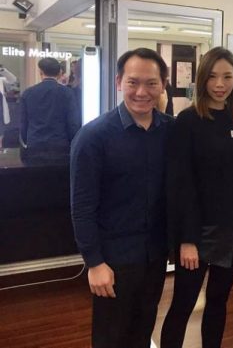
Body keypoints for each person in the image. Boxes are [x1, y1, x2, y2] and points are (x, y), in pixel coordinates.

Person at [70, 48, 173, 348]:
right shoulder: (93, 137)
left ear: (163, 85)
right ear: (118, 82)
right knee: (110, 338)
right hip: (113, 261)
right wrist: (94, 262)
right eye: (133, 82)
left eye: (151, 83)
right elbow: (82, 207)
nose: (142, 92)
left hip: (155, 257)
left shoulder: (171, 132)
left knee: (142, 332)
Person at [161, 47, 233, 348]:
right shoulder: (187, 121)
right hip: (196, 232)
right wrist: (186, 240)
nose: (220, 84)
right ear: (201, 79)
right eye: (212, 76)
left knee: (218, 303)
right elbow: (180, 184)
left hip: (229, 231)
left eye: (227, 76)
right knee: (183, 305)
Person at [20, 57, 80, 165]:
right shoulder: (67, 93)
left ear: (41, 72)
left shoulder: (28, 93)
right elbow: (73, 123)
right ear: (59, 73)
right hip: (60, 147)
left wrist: (27, 141)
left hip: (35, 146)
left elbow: (23, 124)